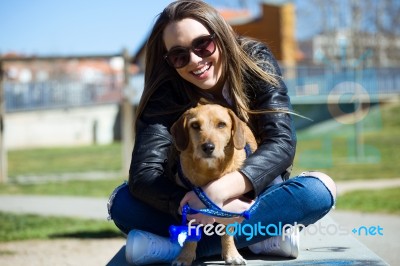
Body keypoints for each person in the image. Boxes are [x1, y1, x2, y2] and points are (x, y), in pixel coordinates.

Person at [108, 0, 336, 265]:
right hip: (187, 205)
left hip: (251, 197)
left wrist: (217, 195)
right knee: (122, 203)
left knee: (318, 191)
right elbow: (144, 173)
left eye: (203, 44)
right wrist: (191, 203)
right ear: (170, 62)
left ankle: (177, 247)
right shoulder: (165, 92)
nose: (195, 60)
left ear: (221, 35)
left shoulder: (255, 61)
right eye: (180, 55)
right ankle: (261, 237)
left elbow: (281, 142)